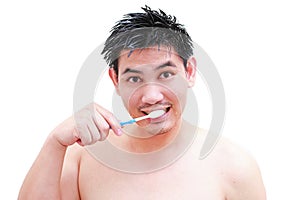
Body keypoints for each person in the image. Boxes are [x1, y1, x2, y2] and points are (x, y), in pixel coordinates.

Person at [18, 6, 266, 199]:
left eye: (166, 74)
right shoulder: (82, 156)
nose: (151, 96)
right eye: (135, 78)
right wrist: (54, 144)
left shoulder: (234, 167)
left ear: (189, 72)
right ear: (115, 80)